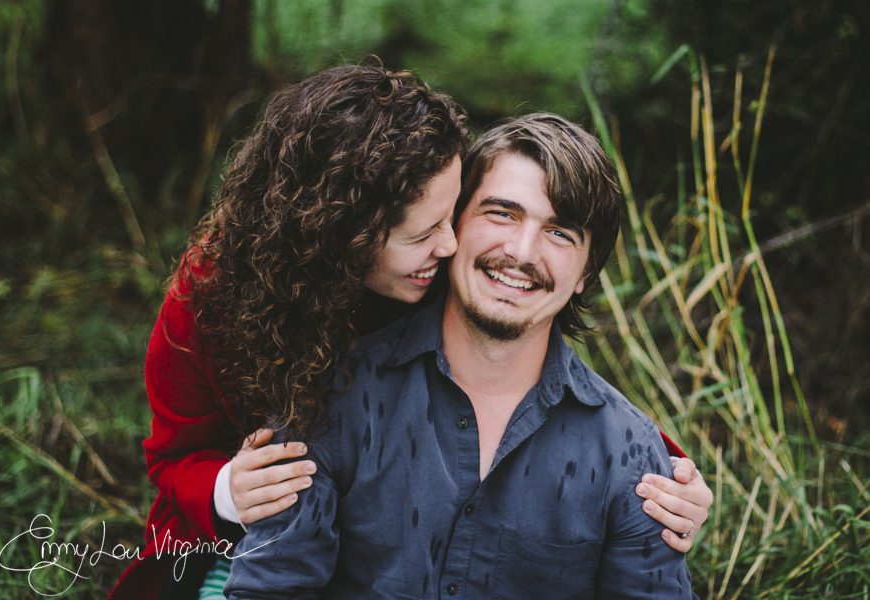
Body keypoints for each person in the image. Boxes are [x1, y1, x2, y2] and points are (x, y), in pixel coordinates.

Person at [108, 66, 709, 600]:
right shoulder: (214, 303)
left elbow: (541, 385)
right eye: (427, 233)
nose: (448, 247)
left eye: (452, 219)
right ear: (345, 232)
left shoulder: (445, 276)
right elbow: (175, 461)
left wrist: (664, 473)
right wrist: (228, 493)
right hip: (236, 526)